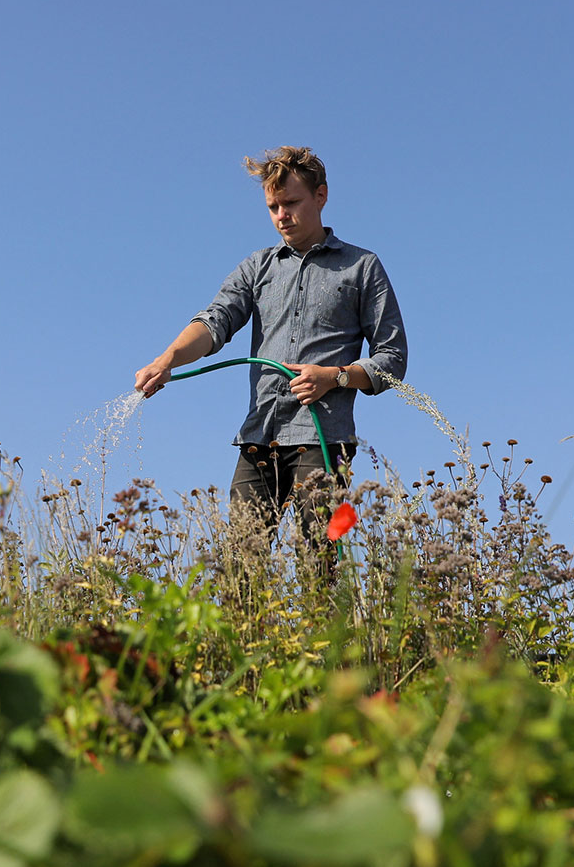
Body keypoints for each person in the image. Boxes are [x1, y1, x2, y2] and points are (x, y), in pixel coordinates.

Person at [134, 146, 406, 570]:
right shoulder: (256, 268)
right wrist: (169, 358)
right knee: (240, 568)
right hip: (258, 438)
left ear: (321, 196)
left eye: (291, 203)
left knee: (321, 566)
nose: (282, 215)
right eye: (273, 206)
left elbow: (393, 358)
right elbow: (215, 321)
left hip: (325, 443)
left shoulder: (363, 267)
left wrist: (334, 377)